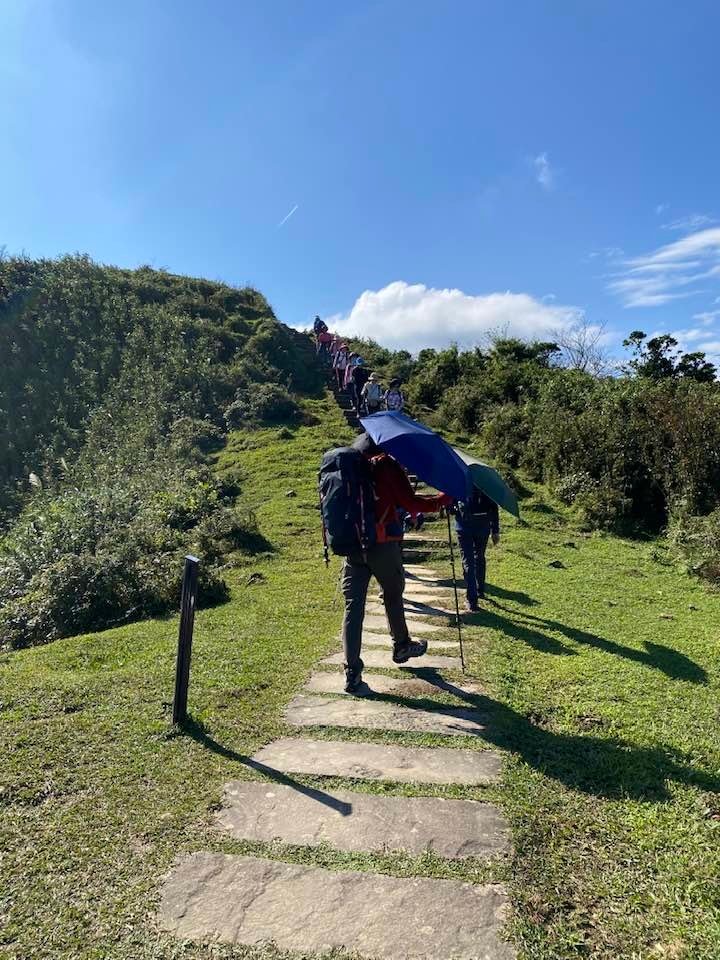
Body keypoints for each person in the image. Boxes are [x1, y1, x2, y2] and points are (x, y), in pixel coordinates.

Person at [341, 433, 452, 692]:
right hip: (382, 543)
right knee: (392, 594)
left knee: (353, 607)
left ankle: (351, 671)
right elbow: (410, 502)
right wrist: (441, 501)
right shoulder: (385, 465)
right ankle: (401, 644)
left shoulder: (348, 466)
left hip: (353, 546)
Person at [453, 488, 500, 611]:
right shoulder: (485, 483)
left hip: (464, 527)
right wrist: (495, 530)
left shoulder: (459, 481)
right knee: (479, 557)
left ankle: (472, 600)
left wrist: (451, 509)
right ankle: (480, 590)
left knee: (468, 561)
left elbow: (451, 506)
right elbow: (494, 507)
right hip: (483, 527)